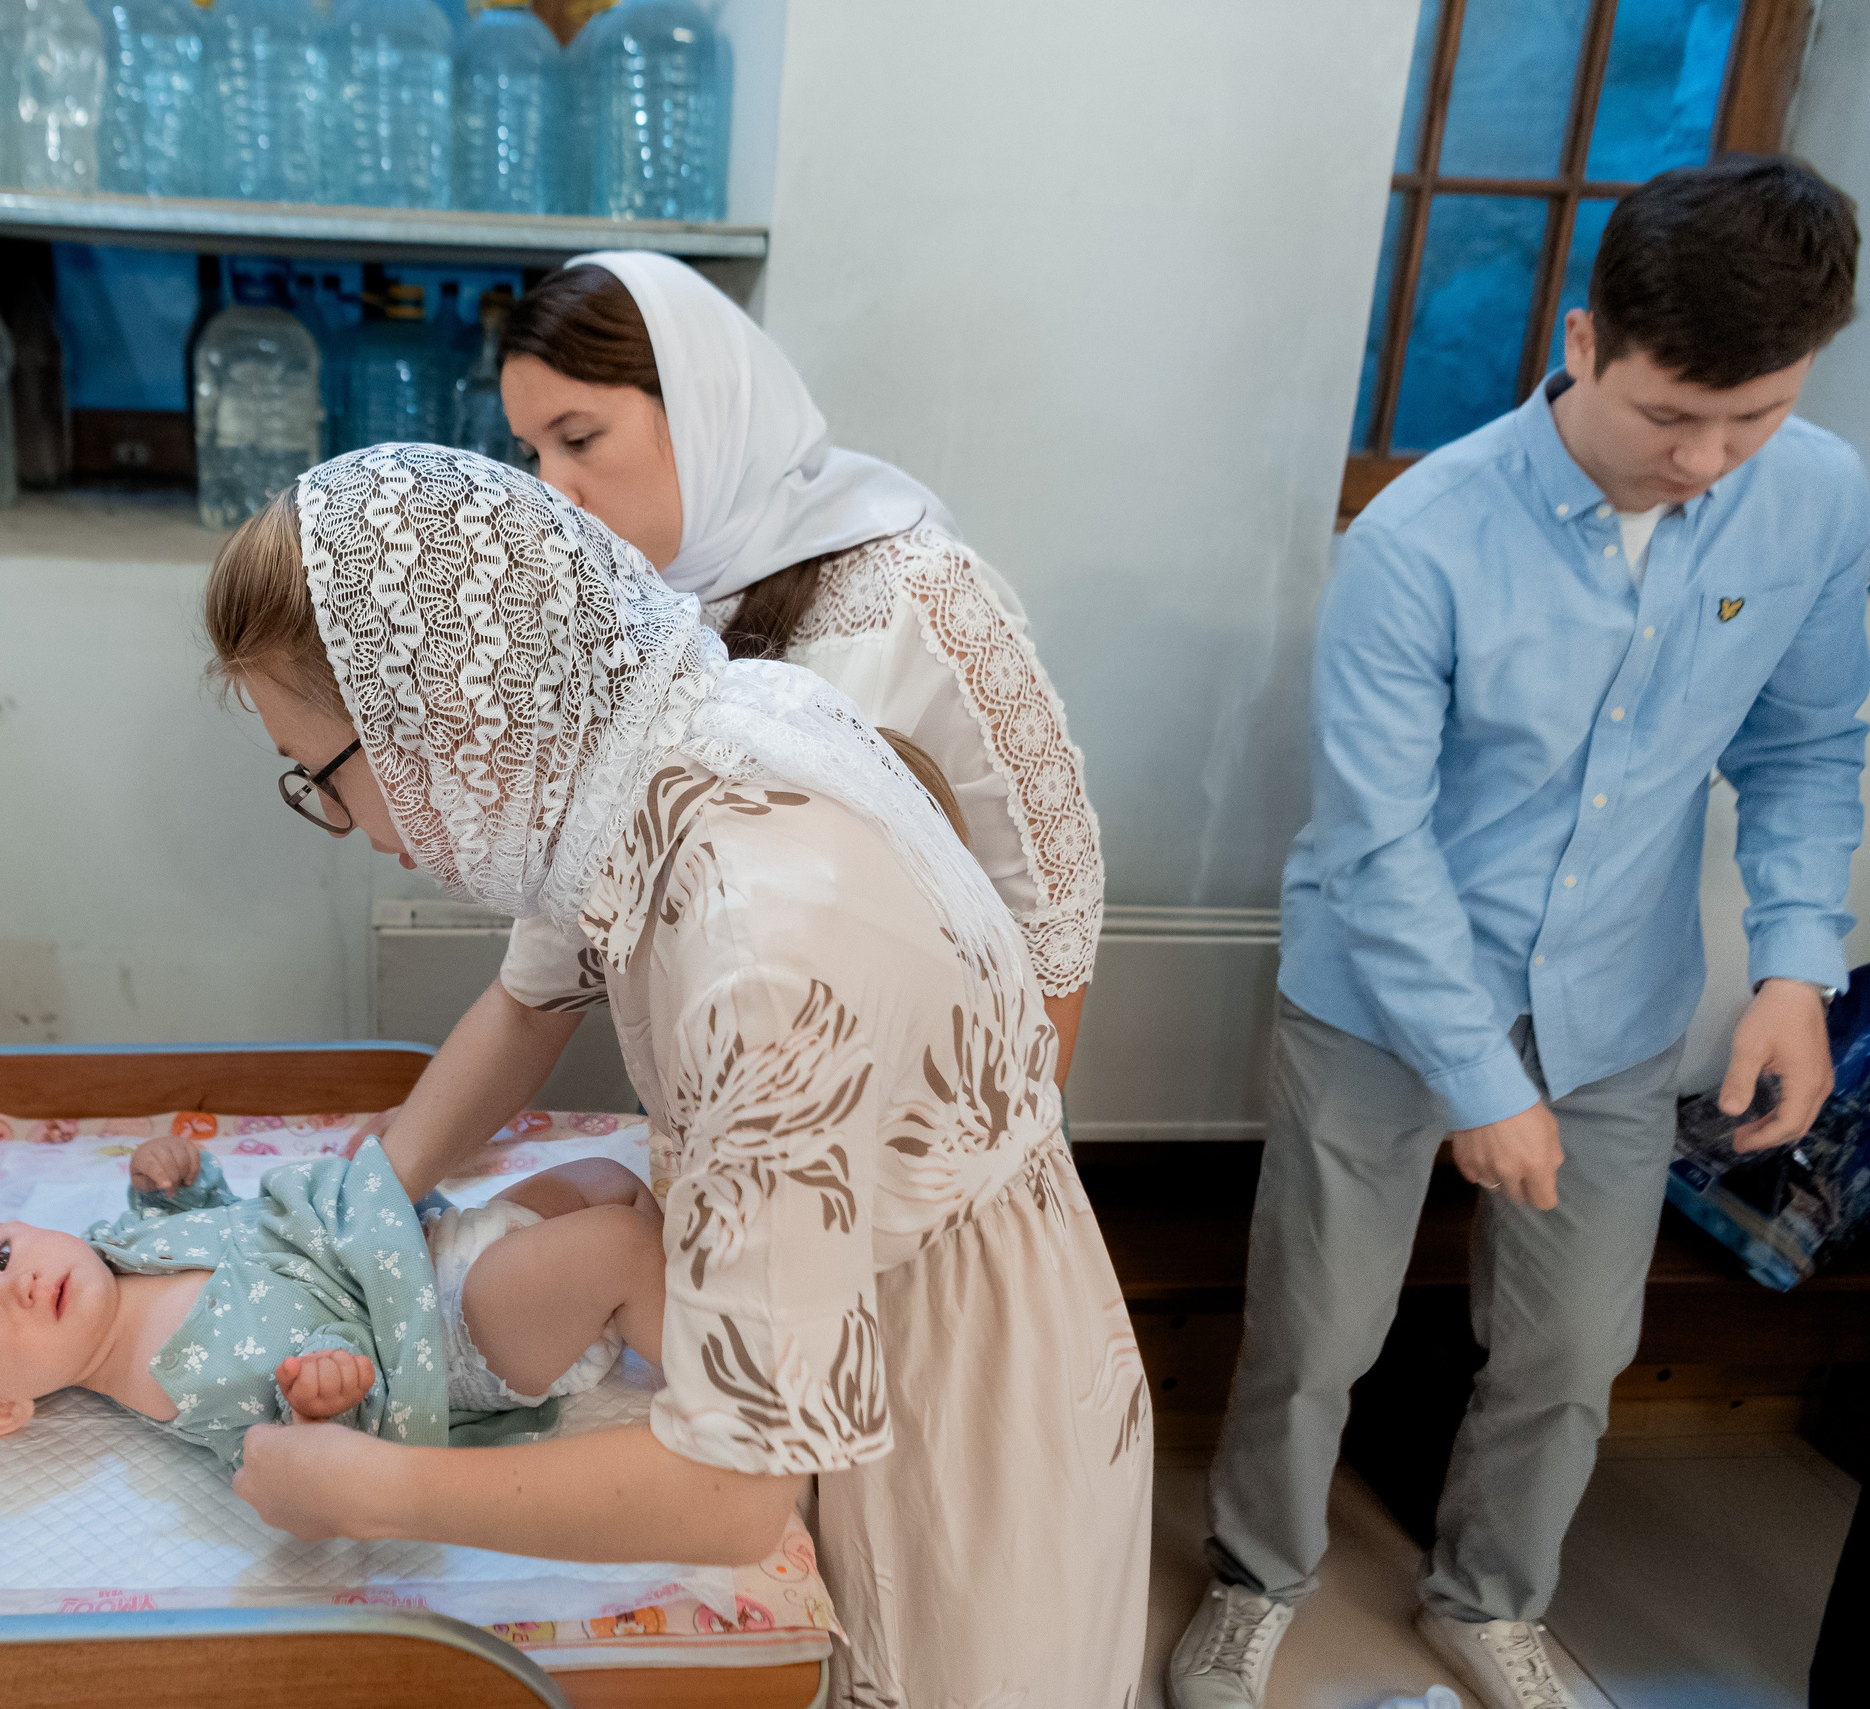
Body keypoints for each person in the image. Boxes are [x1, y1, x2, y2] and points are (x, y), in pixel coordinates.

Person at [208, 445, 1151, 1705]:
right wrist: (353, 1210)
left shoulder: (758, 938)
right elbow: (527, 1000)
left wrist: (369, 1489)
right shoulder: (629, 748)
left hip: (958, 1395)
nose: (351, 832)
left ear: (445, 725)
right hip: (884, 1279)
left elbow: (730, 1488)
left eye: (322, 780)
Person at [1170, 156, 1868, 1709]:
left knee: (1571, 1350)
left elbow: (1812, 746)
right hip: (1385, 991)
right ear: (1579, 341)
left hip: (1617, 1000)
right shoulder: (1420, 542)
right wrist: (1481, 1078)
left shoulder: (1818, 499)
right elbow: (1376, 841)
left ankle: (1490, 1601)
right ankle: (1255, 1577)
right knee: (1320, 1330)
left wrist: (1796, 969)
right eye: (1671, 414)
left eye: (1750, 419)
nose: (1707, 459)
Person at [496, 252, 1105, 1081]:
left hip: (930, 1126)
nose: (553, 489)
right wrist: (382, 1170)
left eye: (578, 439)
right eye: (532, 454)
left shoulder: (912, 594)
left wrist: (995, 1153)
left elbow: (1051, 915)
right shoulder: (630, 629)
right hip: (738, 1129)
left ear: (702, 405)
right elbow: (540, 982)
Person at [0, 1126, 666, 1459]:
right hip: (452, 1331)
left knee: (608, 1179)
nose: (17, 1284)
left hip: (433, 1239)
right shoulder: (176, 1387)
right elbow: (288, 1456)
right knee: (617, 1249)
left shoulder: (124, 1244)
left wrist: (177, 1182)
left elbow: (230, 1221)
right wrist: (319, 1405)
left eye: (0, 1251)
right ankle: (738, 1389)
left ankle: (689, 1303)